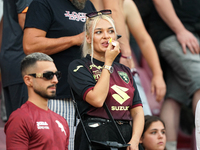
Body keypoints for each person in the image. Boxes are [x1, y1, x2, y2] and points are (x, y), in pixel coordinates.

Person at [23, 0, 96, 149]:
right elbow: (30, 46)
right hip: (57, 98)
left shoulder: (88, 6)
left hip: (87, 100)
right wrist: (74, 40)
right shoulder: (44, 3)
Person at [68, 10, 144, 150]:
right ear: (89, 38)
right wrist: (108, 63)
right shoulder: (79, 66)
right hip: (97, 134)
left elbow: (137, 110)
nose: (106, 36)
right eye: (98, 32)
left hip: (126, 135)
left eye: (110, 31)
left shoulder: (124, 70)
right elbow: (97, 100)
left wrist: (135, 140)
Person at [90, 0, 166, 115]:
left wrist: (158, 74)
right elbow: (113, 10)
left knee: (143, 122)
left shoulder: (126, 4)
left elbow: (144, 39)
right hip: (96, 74)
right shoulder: (86, 5)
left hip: (125, 72)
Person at [148, 0, 200, 149]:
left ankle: (168, 147)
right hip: (176, 36)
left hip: (186, 36)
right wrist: (180, 30)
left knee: (175, 96)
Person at [4, 52, 69, 150]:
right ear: (28, 80)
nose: (55, 80)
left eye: (57, 75)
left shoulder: (61, 121)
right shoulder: (20, 118)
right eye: (48, 75)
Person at [0, 0, 32, 120]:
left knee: (16, 124)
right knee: (24, 124)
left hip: (12, 57)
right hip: (23, 61)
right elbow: (26, 22)